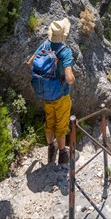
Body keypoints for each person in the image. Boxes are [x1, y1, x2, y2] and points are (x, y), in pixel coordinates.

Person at [27, 17, 75, 164]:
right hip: (61, 95)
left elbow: (30, 63)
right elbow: (69, 78)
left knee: (49, 122)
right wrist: (72, 76)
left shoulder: (44, 45)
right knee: (61, 125)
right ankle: (62, 155)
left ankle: (50, 149)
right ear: (64, 35)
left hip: (46, 94)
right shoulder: (65, 52)